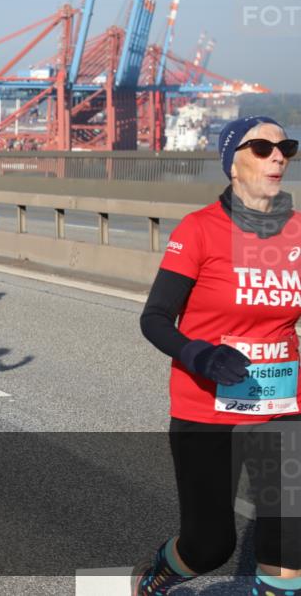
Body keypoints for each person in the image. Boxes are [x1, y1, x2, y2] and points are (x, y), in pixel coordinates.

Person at [135, 116, 301, 596]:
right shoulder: (200, 230)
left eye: (286, 148)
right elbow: (155, 318)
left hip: (280, 404)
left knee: (289, 543)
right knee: (209, 546)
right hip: (206, 406)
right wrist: (199, 355)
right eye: (262, 148)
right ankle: (157, 577)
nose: (278, 156)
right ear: (232, 162)